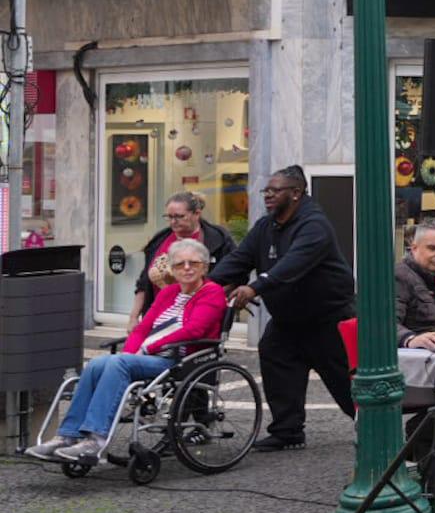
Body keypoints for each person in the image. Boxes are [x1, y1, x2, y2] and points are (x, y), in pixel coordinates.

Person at [27, 239, 227, 463]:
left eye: (193, 263)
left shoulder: (212, 292)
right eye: (180, 264)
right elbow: (142, 328)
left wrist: (149, 348)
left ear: (204, 267)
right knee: (96, 364)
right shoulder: (168, 293)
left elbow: (194, 330)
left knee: (117, 363)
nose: (187, 268)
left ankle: (95, 441)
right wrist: (130, 353)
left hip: (180, 360)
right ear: (172, 268)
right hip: (150, 357)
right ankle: (68, 436)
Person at [211, 167, 358, 451]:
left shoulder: (314, 225)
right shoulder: (266, 226)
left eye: (275, 191)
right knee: (275, 357)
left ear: (296, 193)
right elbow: (240, 258)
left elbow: (292, 265)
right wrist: (207, 286)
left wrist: (255, 288)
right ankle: (287, 431)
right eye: (266, 190)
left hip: (328, 318)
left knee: (344, 380)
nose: (268, 195)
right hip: (288, 319)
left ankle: (374, 425)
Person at [127, 191, 235, 330]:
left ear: (197, 214)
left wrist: (207, 299)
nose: (173, 221)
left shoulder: (218, 239)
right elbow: (143, 283)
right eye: (169, 217)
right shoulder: (160, 240)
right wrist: (134, 317)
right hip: (158, 318)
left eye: (179, 216)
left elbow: (234, 278)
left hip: (198, 318)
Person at [394, 220, 435, 350]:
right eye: (433, 248)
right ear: (414, 248)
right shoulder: (399, 276)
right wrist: (410, 339)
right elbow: (385, 324)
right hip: (416, 357)